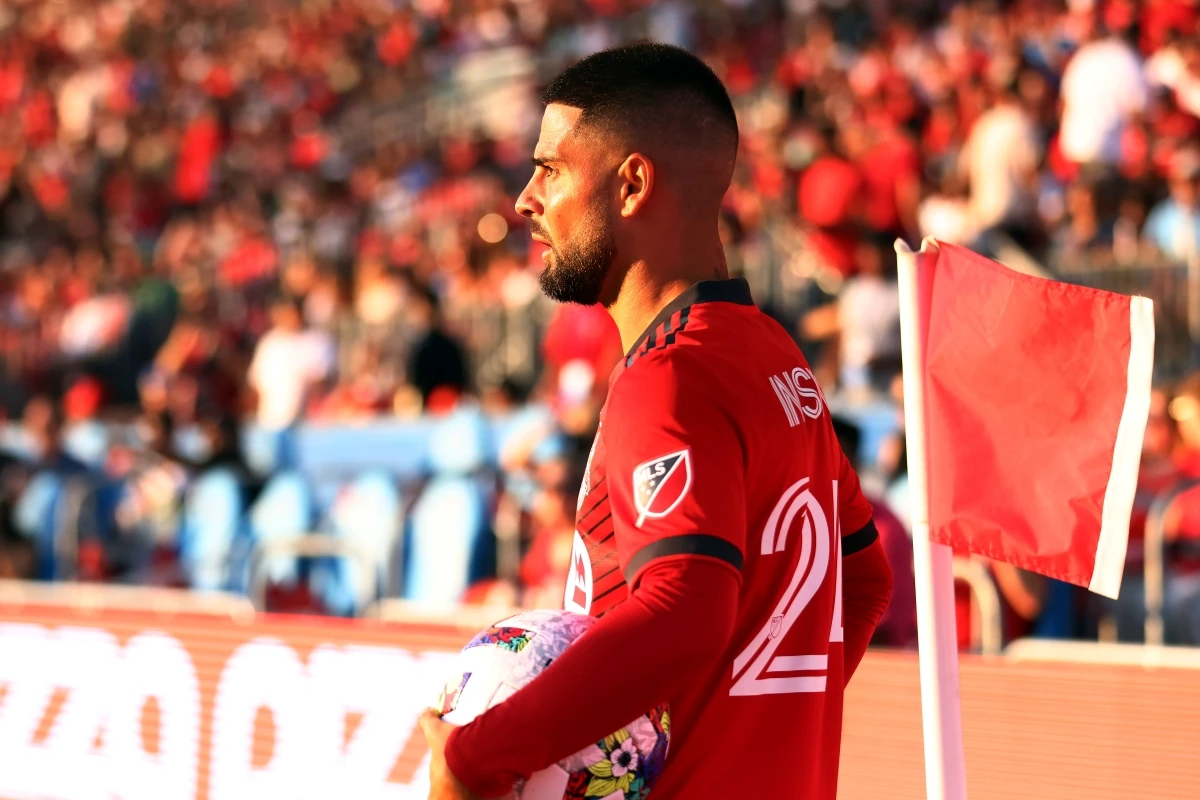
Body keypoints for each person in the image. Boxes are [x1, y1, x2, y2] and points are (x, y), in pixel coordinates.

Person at [420, 43, 893, 800]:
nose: (525, 200)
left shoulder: (667, 378)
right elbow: (865, 579)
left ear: (632, 184)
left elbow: (684, 608)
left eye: (550, 168)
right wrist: (756, 734)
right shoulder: (773, 353)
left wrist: (475, 759)